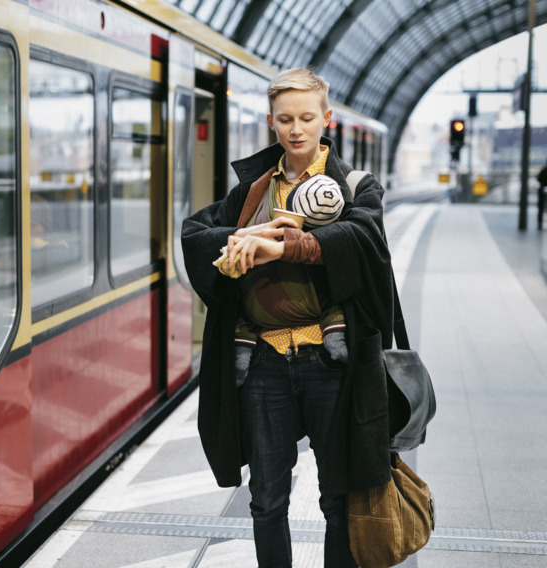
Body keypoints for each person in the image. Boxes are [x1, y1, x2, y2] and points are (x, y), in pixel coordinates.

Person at [181, 68, 396, 567]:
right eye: (284, 119)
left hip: (332, 360)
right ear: (271, 123)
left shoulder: (357, 186)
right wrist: (237, 243)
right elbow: (196, 234)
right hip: (264, 360)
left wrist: (278, 245)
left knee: (338, 500)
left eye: (305, 117)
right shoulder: (253, 192)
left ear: (326, 119)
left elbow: (362, 242)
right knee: (266, 501)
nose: (296, 129)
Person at [219, 174, 349, 388]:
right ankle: (242, 351)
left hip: (320, 356)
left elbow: (355, 244)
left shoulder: (349, 185)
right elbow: (199, 233)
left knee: (329, 298)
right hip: (265, 352)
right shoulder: (254, 187)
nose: (296, 136)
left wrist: (283, 249)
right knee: (247, 304)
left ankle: (334, 337)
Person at [537, 159, 547, 230]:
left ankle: (540, 223)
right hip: (543, 190)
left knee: (541, 208)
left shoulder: (543, 171)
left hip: (542, 190)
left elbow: (538, 179)